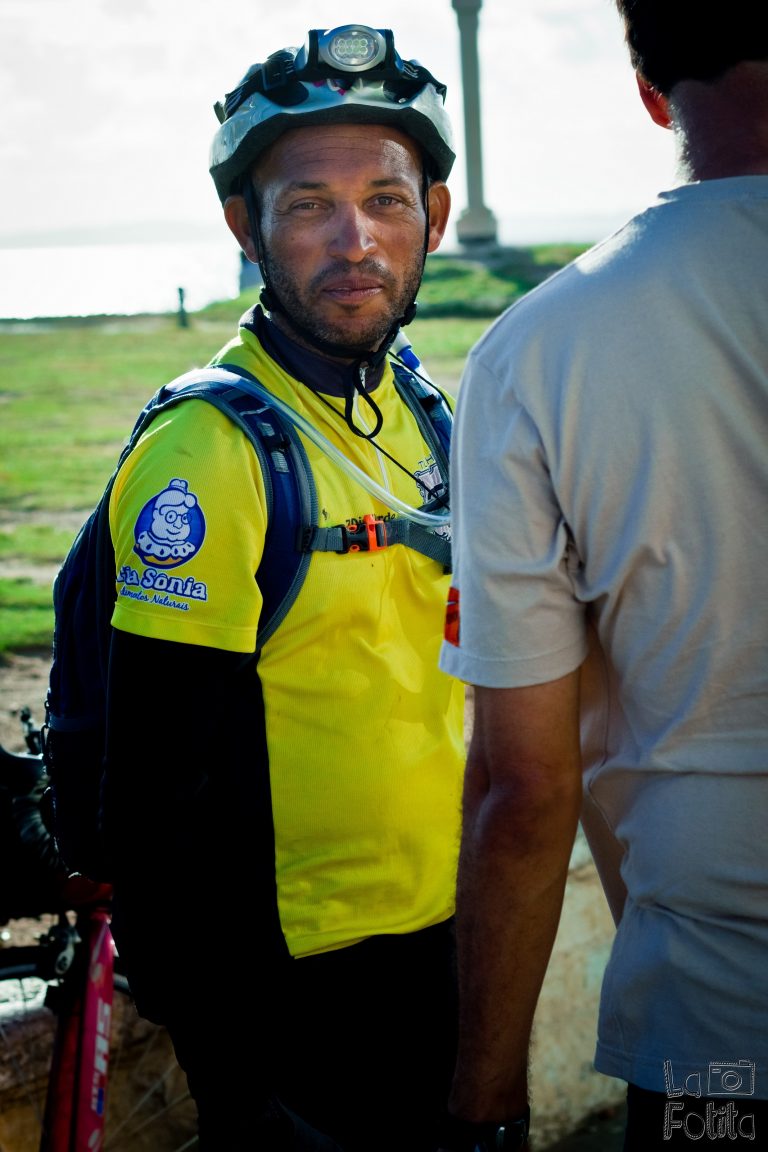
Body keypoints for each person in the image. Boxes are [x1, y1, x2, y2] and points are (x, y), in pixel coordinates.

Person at [98, 24, 465, 1151]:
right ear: (245, 227)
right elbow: (152, 794)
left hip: (447, 944)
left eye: (387, 199)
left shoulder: (424, 411)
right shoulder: (211, 449)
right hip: (295, 991)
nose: (355, 239)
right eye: (308, 203)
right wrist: (238, 1070)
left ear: (434, 221)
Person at [436, 4, 768, 1151]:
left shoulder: (539, 349)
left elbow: (525, 785)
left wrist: (484, 1107)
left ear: (647, 86)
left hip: (721, 1032)